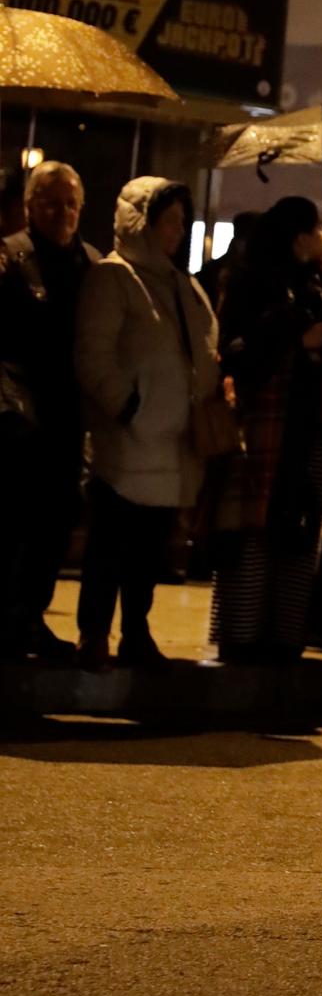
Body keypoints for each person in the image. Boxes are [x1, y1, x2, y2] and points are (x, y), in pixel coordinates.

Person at [211, 197, 322, 663]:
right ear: (299, 235)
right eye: (316, 228)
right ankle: (240, 641)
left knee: (299, 534)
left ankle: (283, 640)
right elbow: (236, 346)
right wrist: (295, 334)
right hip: (265, 429)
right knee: (254, 534)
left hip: (308, 431)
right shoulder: (252, 276)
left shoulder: (317, 281)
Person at [74, 177, 218, 670]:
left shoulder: (181, 285)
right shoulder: (113, 279)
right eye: (169, 221)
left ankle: (136, 632)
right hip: (126, 446)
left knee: (146, 555)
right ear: (143, 222)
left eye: (182, 220)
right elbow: (94, 354)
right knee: (109, 547)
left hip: (170, 446)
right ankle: (93, 633)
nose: (178, 231)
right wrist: (128, 407)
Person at [0, 162, 100, 662]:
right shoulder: (10, 257)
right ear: (29, 208)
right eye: (51, 203)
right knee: (14, 523)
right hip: (18, 421)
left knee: (55, 524)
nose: (62, 213)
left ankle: (29, 618)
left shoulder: (93, 263)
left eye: (70, 204)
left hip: (68, 419)